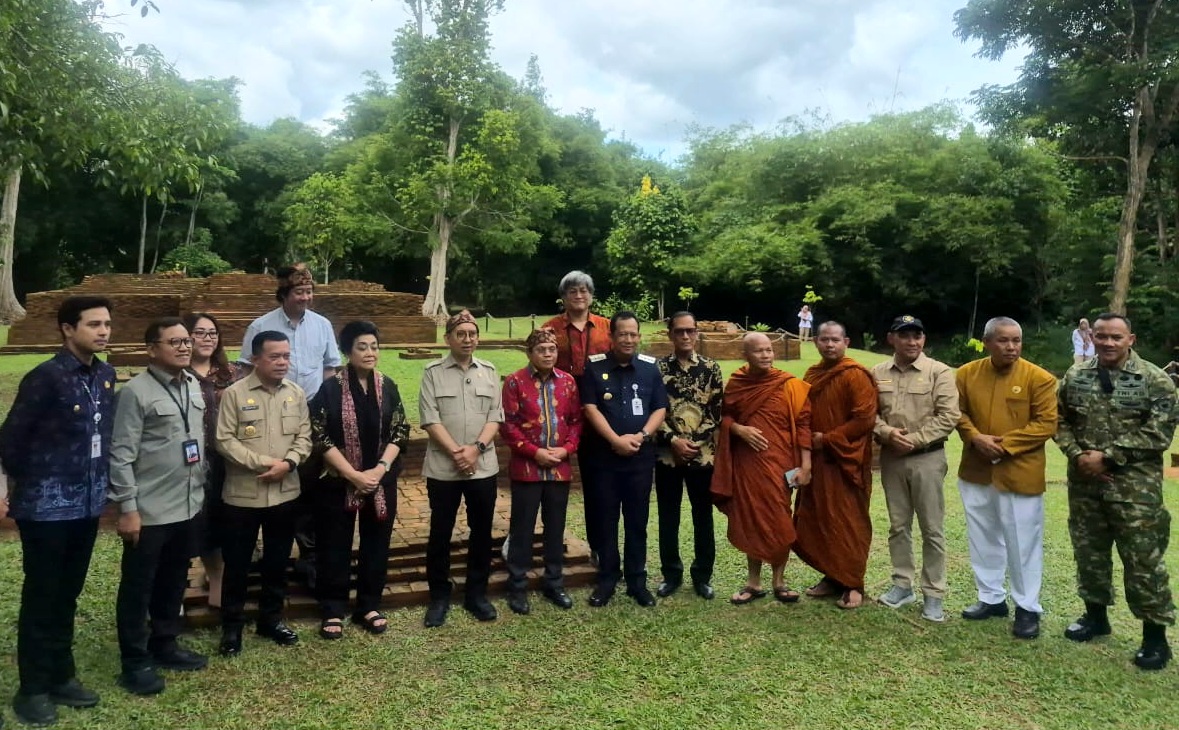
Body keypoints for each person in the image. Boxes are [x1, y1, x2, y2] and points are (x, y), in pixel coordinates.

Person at [0, 297, 115, 727]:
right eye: (93, 324)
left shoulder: (105, 375)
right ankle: (32, 688)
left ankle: (61, 676)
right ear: (68, 329)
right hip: (46, 509)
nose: (103, 332)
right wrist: (33, 481)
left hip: (88, 505)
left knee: (68, 593)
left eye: (107, 324)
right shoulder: (45, 378)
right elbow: (11, 440)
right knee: (42, 596)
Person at [1056, 313, 1178, 671]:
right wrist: (1077, 455)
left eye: (1116, 337)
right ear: (1091, 337)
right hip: (1085, 484)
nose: (1108, 342)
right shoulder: (1076, 376)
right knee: (1089, 553)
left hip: (1135, 489)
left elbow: (1159, 433)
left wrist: (1108, 458)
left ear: (1131, 340)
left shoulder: (1155, 380)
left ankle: (1154, 638)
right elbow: (1058, 420)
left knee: (1143, 560)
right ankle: (1096, 618)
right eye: (1102, 336)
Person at [108, 318, 209, 696]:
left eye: (186, 341)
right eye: (174, 342)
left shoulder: (192, 384)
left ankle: (165, 644)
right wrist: (128, 508)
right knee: (138, 588)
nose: (184, 347)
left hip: (187, 504)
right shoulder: (136, 392)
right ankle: (135, 661)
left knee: (173, 580)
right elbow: (121, 455)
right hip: (149, 510)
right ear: (152, 349)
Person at [237, 263, 341, 589]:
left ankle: (309, 557)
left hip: (310, 412)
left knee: (309, 485)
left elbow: (330, 369)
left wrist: (326, 408)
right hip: (269, 414)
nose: (306, 298)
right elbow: (245, 371)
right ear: (284, 293)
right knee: (274, 483)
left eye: (309, 292)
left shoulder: (322, 325)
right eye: (299, 292)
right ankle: (265, 552)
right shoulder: (261, 326)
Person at [955, 317, 1057, 639]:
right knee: (982, 536)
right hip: (977, 469)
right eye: (1003, 340)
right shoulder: (966, 374)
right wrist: (975, 437)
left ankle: (1027, 608)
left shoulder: (1039, 378)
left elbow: (1046, 423)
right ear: (986, 342)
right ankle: (991, 598)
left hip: (1019, 471)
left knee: (1023, 542)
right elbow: (957, 412)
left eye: (1016, 340)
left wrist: (1004, 446)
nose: (1011, 347)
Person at [309, 321, 409, 639]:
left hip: (380, 480)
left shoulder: (387, 385)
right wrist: (352, 474)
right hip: (338, 481)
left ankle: (369, 604)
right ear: (347, 352)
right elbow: (318, 435)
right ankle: (332, 608)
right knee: (334, 544)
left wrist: (379, 470)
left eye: (374, 346)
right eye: (361, 347)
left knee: (376, 543)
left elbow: (400, 430)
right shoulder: (330, 389)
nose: (369, 353)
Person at [215, 331, 313, 657]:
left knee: (277, 560)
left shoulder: (296, 394)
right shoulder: (234, 394)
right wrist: (264, 463)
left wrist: (289, 463)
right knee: (237, 564)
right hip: (243, 495)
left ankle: (270, 619)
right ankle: (232, 626)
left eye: (286, 356)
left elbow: (304, 437)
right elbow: (224, 440)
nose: (282, 362)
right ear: (256, 359)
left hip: (285, 494)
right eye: (274, 356)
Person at [711, 332, 812, 606]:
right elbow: (723, 416)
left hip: (780, 464)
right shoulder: (738, 383)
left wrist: (806, 465)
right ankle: (753, 582)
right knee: (751, 519)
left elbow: (804, 424)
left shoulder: (788, 384)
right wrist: (738, 429)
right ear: (745, 355)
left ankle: (779, 581)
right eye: (759, 351)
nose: (766, 355)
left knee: (780, 519)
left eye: (769, 350)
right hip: (749, 465)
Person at [871, 315, 960, 622]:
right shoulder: (877, 373)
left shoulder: (939, 372)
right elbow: (869, 413)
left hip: (927, 458)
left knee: (932, 528)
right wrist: (886, 433)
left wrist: (913, 439)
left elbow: (949, 416)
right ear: (891, 339)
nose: (912, 341)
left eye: (917, 336)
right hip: (892, 458)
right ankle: (902, 584)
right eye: (905, 335)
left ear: (924, 339)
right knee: (898, 525)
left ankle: (933, 593)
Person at [419, 310, 504, 628]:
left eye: (472, 334)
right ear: (448, 339)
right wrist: (458, 453)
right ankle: (439, 597)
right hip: (444, 468)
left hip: (482, 467)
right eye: (461, 334)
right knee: (440, 532)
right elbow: (430, 418)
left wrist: (475, 450)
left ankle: (476, 595)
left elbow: (495, 416)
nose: (467, 339)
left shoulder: (489, 371)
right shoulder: (432, 373)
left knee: (481, 532)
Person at [580, 311, 668, 608]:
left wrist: (641, 436)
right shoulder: (594, 367)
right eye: (623, 334)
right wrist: (615, 440)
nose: (628, 339)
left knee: (636, 521)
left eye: (633, 334)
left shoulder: (650, 368)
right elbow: (590, 408)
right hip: (604, 458)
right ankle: (607, 578)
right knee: (605, 520)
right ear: (612, 336)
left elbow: (659, 408)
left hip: (639, 460)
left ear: (638, 336)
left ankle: (636, 581)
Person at [500, 327, 583, 615]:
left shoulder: (568, 382)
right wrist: (535, 452)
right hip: (527, 468)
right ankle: (517, 586)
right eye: (541, 350)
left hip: (559, 468)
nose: (548, 354)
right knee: (522, 529)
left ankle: (554, 583)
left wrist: (566, 449)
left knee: (555, 527)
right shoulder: (514, 382)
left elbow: (576, 421)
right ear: (530, 353)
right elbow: (508, 425)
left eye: (552, 349)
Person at [795, 321, 878, 610]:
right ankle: (832, 576)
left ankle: (853, 582)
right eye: (824, 339)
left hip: (845, 460)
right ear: (815, 342)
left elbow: (864, 419)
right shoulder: (812, 374)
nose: (830, 345)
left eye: (835, 340)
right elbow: (803, 412)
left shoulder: (855, 374)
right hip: (817, 462)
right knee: (821, 519)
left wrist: (827, 439)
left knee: (848, 521)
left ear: (846, 342)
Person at [541, 270, 613, 563]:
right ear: (563, 297)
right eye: (572, 291)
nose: (579, 295)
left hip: (599, 412)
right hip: (559, 411)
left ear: (591, 296)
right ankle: (550, 545)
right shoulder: (550, 329)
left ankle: (599, 547)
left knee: (597, 483)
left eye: (584, 290)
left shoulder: (607, 327)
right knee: (553, 481)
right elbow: (539, 364)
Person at [654, 311, 722, 600]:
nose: (685, 336)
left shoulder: (710, 368)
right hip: (667, 455)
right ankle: (671, 574)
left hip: (702, 455)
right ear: (670, 334)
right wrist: (674, 441)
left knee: (702, 516)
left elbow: (715, 412)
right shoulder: (657, 369)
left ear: (696, 333)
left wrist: (690, 444)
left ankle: (702, 576)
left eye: (690, 330)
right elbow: (653, 411)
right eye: (679, 331)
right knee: (668, 516)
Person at [183, 312, 238, 609]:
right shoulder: (178, 373)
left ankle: (218, 579)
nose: (208, 338)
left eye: (213, 333)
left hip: (227, 461)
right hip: (187, 463)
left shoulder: (232, 373)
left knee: (222, 521)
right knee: (193, 523)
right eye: (200, 333)